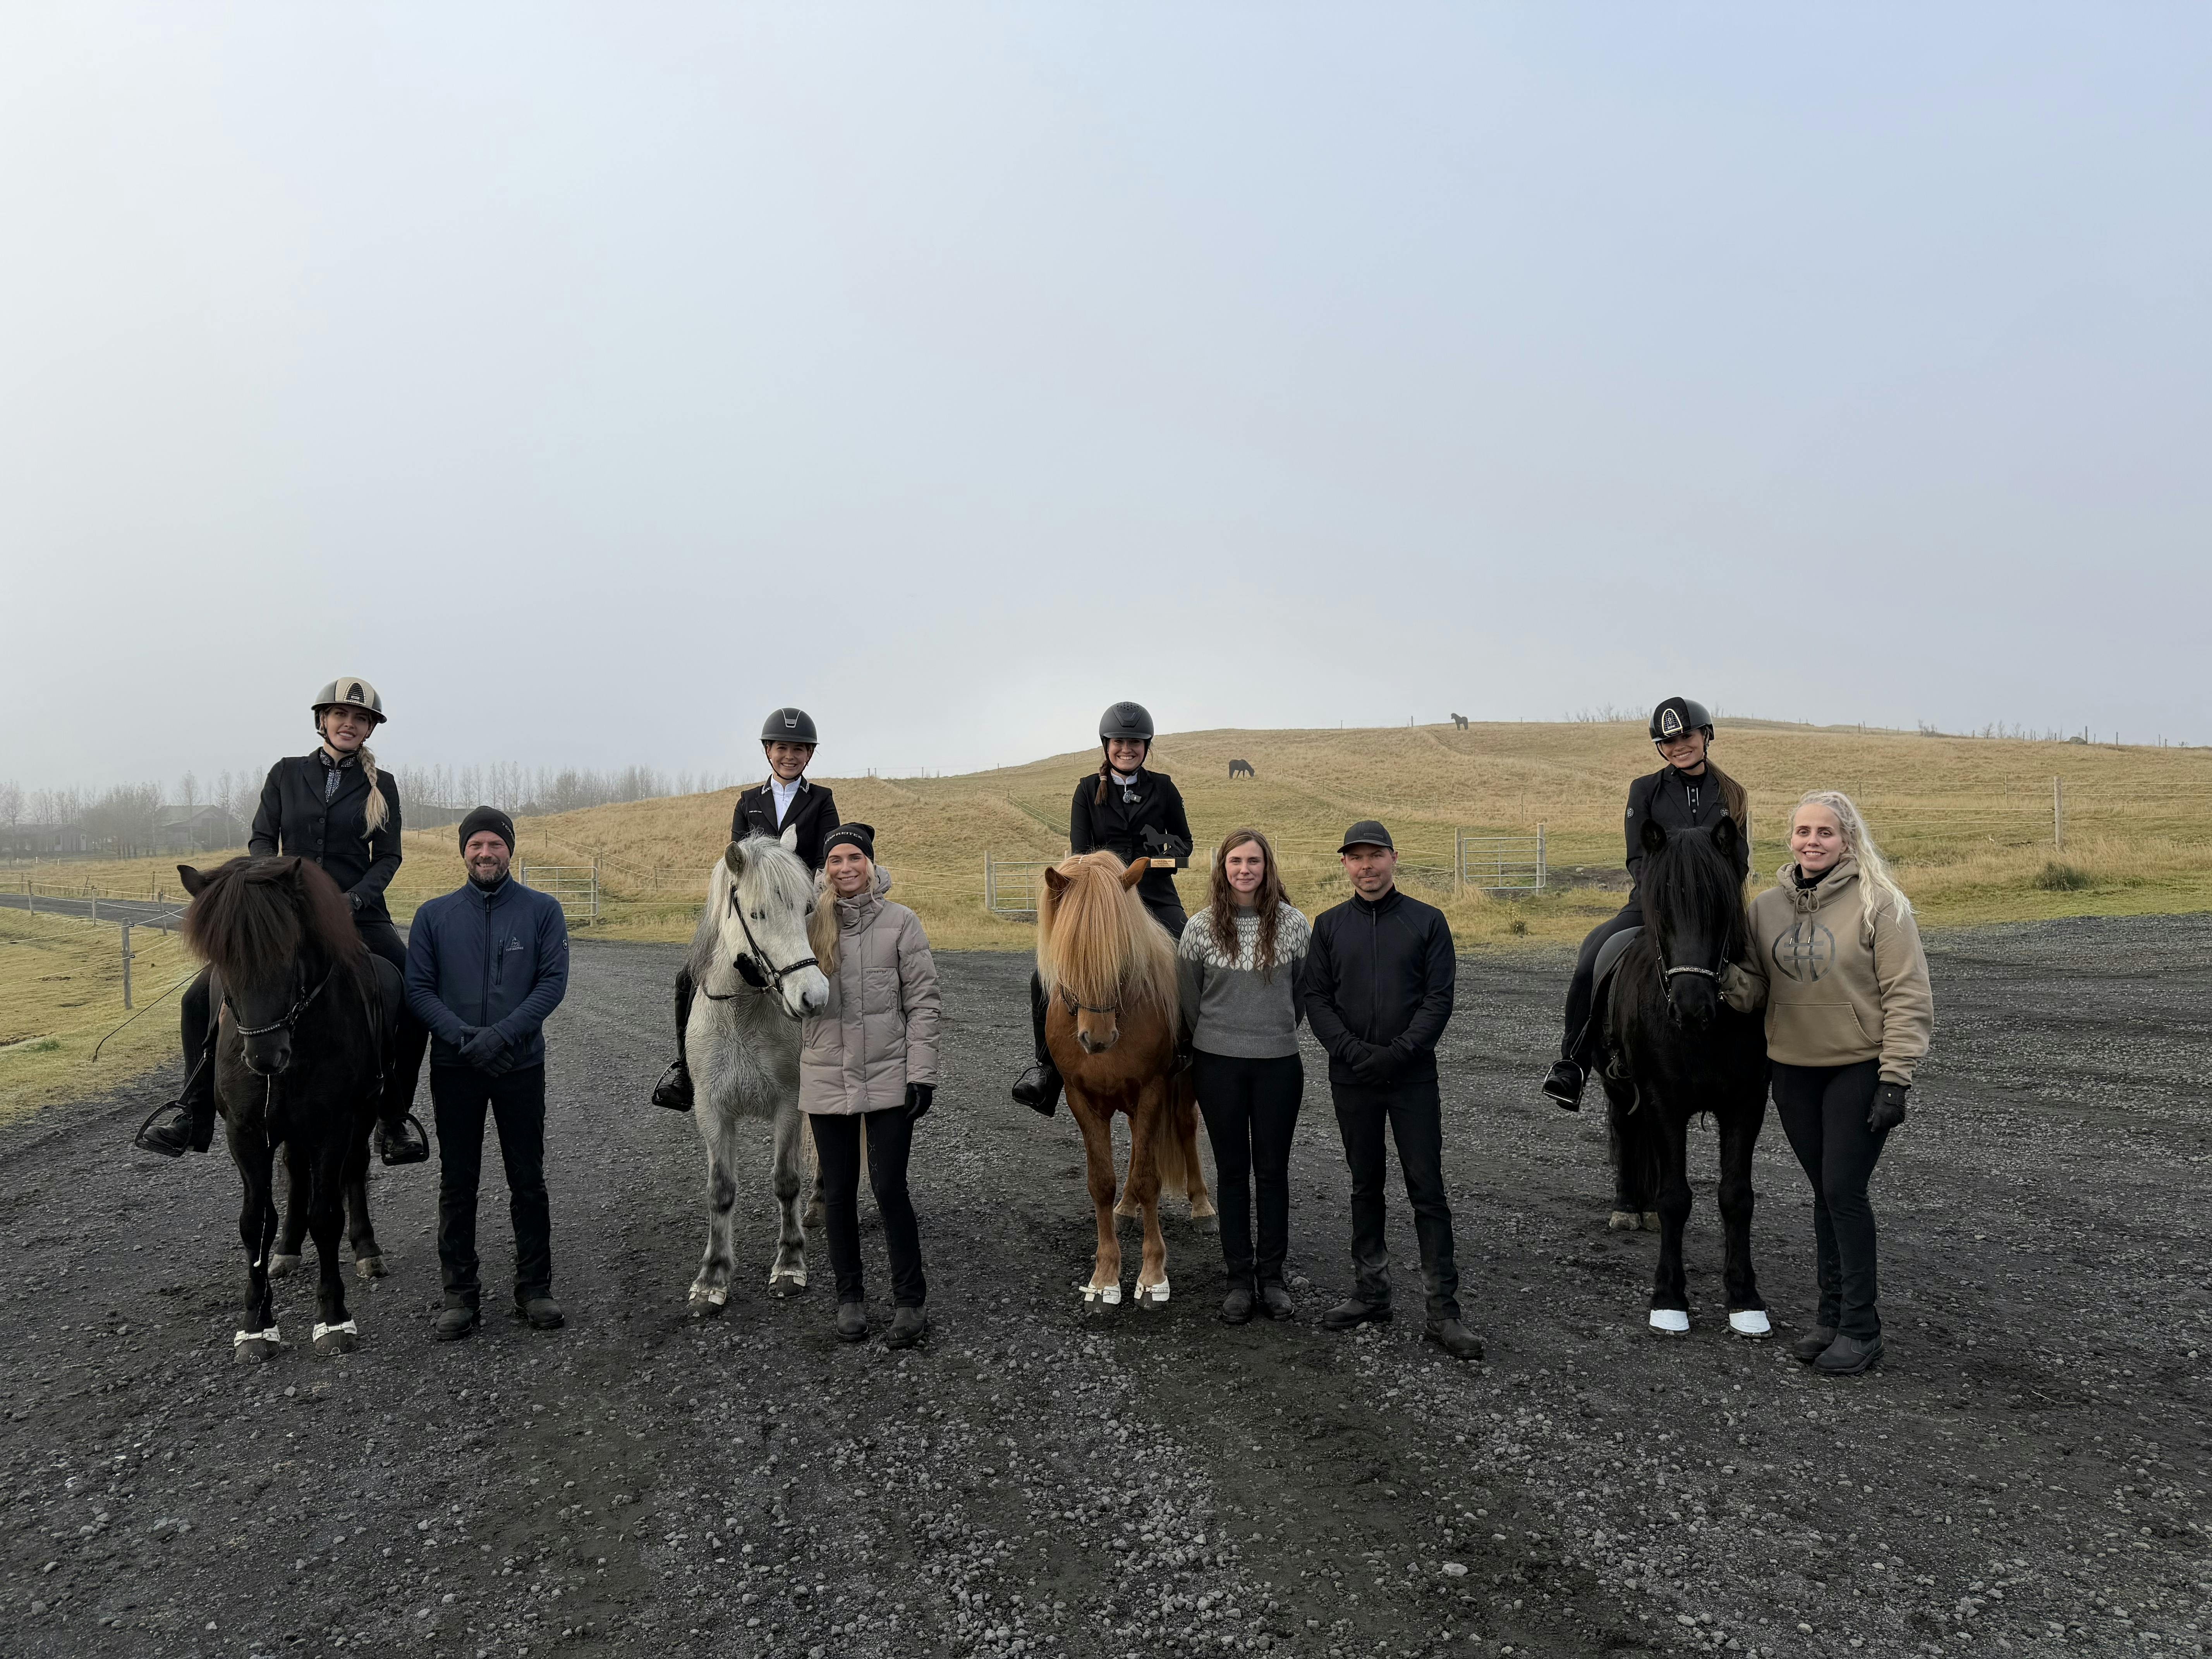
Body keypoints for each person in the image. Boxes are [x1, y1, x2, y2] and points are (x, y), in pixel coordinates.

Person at [135, 675, 430, 1163]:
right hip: (284, 912)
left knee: (412, 995)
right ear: (323, 720)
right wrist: (265, 890)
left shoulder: (385, 786)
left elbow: (388, 857)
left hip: (357, 914)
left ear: (369, 729)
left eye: (360, 719)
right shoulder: (286, 773)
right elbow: (261, 839)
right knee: (197, 998)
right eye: (341, 715)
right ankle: (193, 1110)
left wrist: (355, 899)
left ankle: (394, 1117)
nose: (349, 724)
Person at [1720, 791, 1932, 1377]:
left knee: (1844, 1191)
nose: (1812, 841)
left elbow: (1908, 995)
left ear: (1847, 840)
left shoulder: (1880, 904)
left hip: (1858, 1067)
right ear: (1790, 839)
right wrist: (1720, 977)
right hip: (1792, 1070)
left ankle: (1862, 1329)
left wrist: (1896, 1078)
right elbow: (1757, 990)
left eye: (1826, 832)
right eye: (1803, 831)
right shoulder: (1764, 909)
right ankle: (1830, 1317)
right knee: (1824, 1192)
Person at [1302, 821, 1483, 1360]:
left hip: (1412, 1078)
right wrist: (1355, 1053)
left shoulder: (1427, 921)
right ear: (1345, 865)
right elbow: (1317, 999)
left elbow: (1438, 999)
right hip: (1352, 1077)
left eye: (1375, 856)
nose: (1367, 867)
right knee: (1366, 1185)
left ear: (1394, 858)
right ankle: (1371, 1293)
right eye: (1356, 858)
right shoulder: (1329, 927)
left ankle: (1443, 1313)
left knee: (1427, 1189)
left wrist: (1398, 1053)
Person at [404, 807, 572, 1341]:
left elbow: (551, 983)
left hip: (520, 1065)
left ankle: (535, 1288)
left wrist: (502, 1036)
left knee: (529, 1180)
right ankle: (460, 1294)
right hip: (456, 1068)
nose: (485, 853)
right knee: (458, 1182)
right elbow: (418, 989)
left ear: (510, 850)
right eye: (475, 845)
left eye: (495, 845)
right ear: (463, 852)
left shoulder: (542, 911)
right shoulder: (434, 916)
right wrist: (465, 1039)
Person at [1541, 696, 1750, 1111]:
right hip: (1653, 905)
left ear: (1706, 735)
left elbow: (1739, 858)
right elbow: (1638, 858)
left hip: (1714, 911)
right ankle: (1573, 1063)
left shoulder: (1733, 793)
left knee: (1770, 961)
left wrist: (1711, 897)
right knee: (1592, 957)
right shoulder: (1645, 790)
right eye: (1668, 741)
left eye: (1686, 737)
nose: (1679, 746)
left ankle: (1778, 1058)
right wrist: (1665, 896)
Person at [652, 707, 839, 1111]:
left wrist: (808, 889)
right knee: (689, 974)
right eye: (782, 748)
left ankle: (828, 1061)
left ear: (809, 755)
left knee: (826, 969)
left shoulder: (822, 800)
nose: (789, 756)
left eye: (799, 750)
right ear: (768, 751)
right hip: (752, 908)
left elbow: (825, 856)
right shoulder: (748, 801)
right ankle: (685, 1068)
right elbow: (736, 860)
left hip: (798, 906)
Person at [1012, 700, 1192, 1116]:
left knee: (1188, 953)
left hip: (1154, 894)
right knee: (1043, 976)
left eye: (1135, 743)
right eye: (1119, 742)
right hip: (1097, 902)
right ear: (1106, 746)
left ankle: (1187, 1047)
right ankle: (1047, 1070)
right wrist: (1108, 882)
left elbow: (1184, 846)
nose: (1126, 749)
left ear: (1146, 747)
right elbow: (1080, 853)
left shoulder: (1164, 788)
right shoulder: (1085, 790)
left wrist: (1154, 860)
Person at [798, 823, 940, 1348]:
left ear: (871, 864)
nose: (846, 868)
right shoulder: (807, 927)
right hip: (826, 1075)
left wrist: (921, 1073)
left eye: (854, 858)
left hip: (889, 1076)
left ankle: (909, 1301)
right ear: (825, 870)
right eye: (836, 860)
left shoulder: (902, 922)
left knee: (889, 1190)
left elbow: (923, 1003)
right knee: (837, 1194)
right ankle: (850, 1299)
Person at [1177, 828, 1310, 1324]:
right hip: (1218, 1067)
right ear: (1223, 868)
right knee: (1232, 1172)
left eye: (1254, 861)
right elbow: (1190, 1001)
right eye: (1236, 861)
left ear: (1267, 866)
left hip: (1279, 1065)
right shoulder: (1199, 928)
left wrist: (1271, 1031)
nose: (1245, 870)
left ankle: (1272, 1279)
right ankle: (1238, 1280)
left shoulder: (1295, 925)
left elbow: (1301, 997)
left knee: (1273, 1172)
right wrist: (1221, 1038)